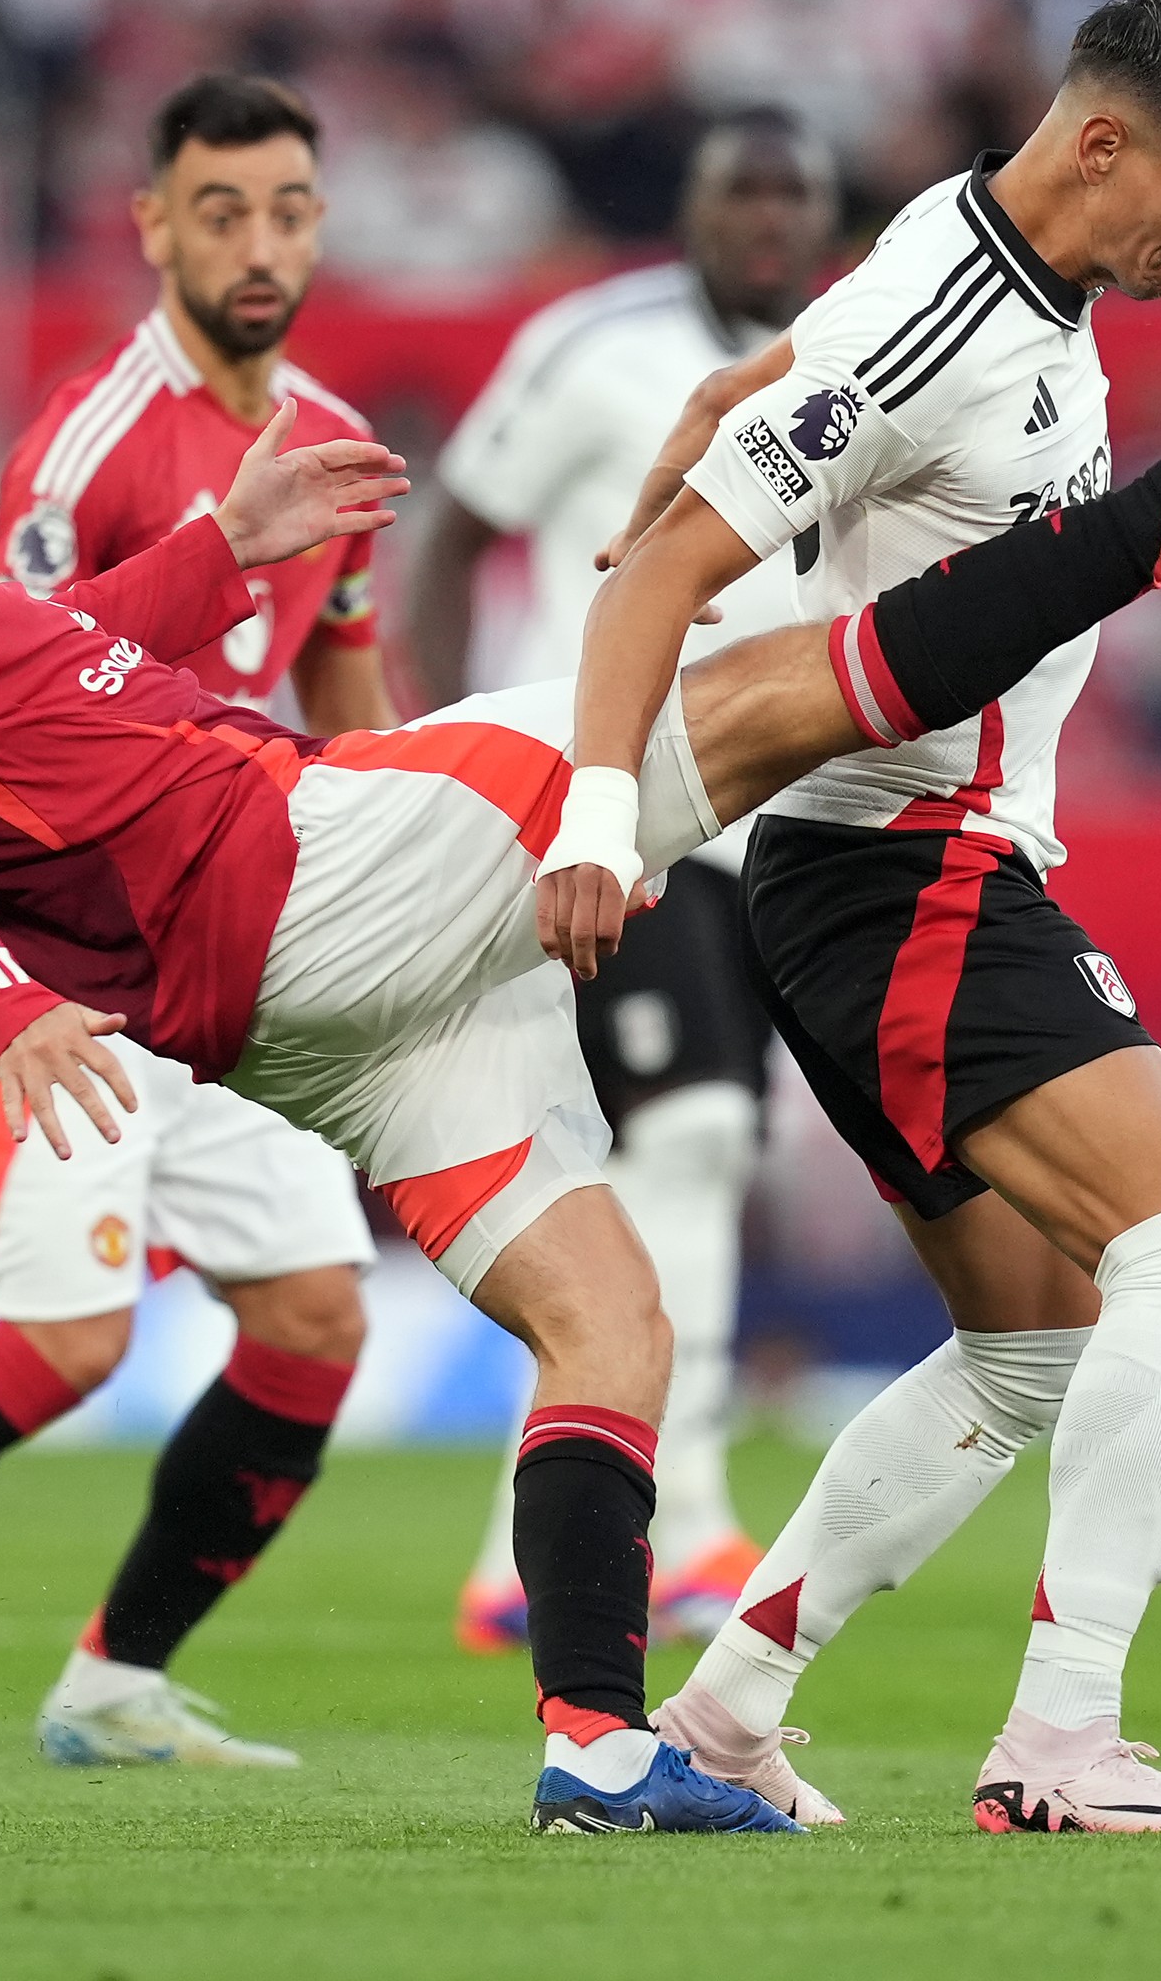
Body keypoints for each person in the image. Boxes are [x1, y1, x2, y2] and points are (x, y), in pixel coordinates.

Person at [0, 202, 1161, 1831]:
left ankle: (596, 1745)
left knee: (609, 1321)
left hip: (298, 1015)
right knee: (756, 700)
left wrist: (220, 553)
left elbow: (33, 666)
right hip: (304, 867)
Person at [550, 0, 1161, 1834]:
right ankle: (1063, 1736)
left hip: (919, 870)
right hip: (901, 874)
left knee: (1033, 1343)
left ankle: (727, 1719)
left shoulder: (971, 260)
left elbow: (774, 391)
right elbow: (660, 576)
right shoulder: (942, 310)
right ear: (1104, 142)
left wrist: (699, 430)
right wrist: (595, 809)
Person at [0, 72, 393, 1772]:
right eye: (224, 211)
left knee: (319, 1312)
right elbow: (7, 690)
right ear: (154, 226)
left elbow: (343, 650)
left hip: (241, 928)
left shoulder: (322, 420)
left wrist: (399, 828)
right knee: (70, 1336)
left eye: (290, 211)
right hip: (93, 951)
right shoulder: (93, 436)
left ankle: (115, 1681)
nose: (260, 245)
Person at [403, 108, 835, 1655]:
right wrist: (431, 746)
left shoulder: (858, 351)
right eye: (744, 190)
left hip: (767, 814)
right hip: (601, 803)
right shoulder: (592, 345)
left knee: (624, 1159)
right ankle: (698, 1519)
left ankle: (523, 1552)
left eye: (796, 194)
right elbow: (451, 537)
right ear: (696, 205)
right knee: (695, 1136)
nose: (771, 219)